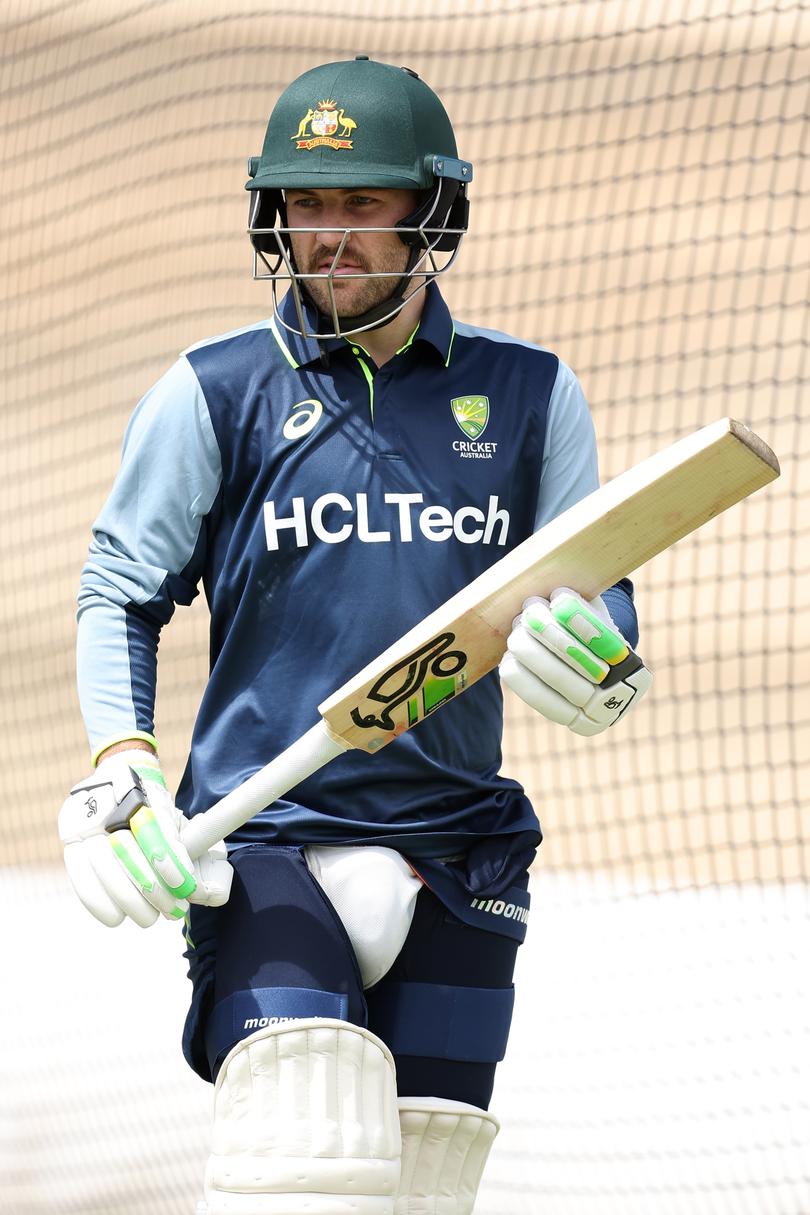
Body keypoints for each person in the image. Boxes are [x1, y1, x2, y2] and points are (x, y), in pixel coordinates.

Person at [58, 56, 651, 1215]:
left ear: (432, 212)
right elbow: (120, 591)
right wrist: (122, 764)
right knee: (302, 1170)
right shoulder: (213, 389)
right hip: (267, 839)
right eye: (305, 204)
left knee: (428, 1190)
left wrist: (603, 657)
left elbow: (597, 586)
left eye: (361, 203)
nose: (328, 234)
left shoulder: (531, 394)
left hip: (463, 849)